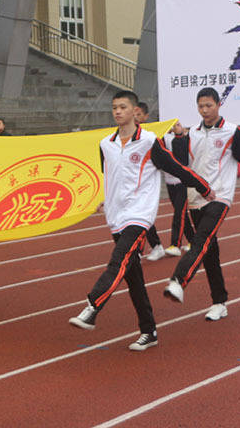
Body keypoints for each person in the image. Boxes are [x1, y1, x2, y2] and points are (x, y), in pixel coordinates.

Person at [68, 90, 213, 350]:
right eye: (114, 107)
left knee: (118, 260)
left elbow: (175, 168)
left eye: (122, 107)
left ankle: (92, 307)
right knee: (133, 278)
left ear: (135, 111)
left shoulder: (149, 142)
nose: (117, 112)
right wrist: (103, 199)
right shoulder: (105, 144)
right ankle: (149, 332)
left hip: (139, 215)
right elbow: (108, 176)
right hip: (116, 216)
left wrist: (202, 186)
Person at [162, 88, 240, 320]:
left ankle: (178, 280)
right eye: (201, 106)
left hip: (220, 196)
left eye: (209, 105)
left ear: (218, 105)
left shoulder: (231, 131)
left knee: (201, 240)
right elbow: (180, 161)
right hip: (196, 198)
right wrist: (178, 137)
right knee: (210, 252)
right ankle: (219, 301)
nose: (205, 110)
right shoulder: (192, 133)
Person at [132, 102, 166, 262]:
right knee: (137, 218)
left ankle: (139, 250)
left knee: (139, 217)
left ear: (146, 117)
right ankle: (156, 246)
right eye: (134, 114)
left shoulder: (150, 136)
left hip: (145, 184)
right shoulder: (125, 135)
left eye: (139, 115)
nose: (136, 118)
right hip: (130, 184)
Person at [161, 121, 194, 256]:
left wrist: (179, 134)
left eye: (178, 124)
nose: (175, 126)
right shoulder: (164, 138)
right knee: (181, 214)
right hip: (169, 182)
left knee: (179, 213)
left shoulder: (188, 139)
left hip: (183, 182)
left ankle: (175, 244)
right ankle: (193, 240)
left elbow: (182, 159)